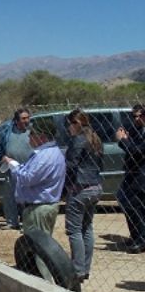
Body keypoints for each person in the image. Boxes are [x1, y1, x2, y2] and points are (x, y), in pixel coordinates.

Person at [2, 119, 65, 236]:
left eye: (31, 134)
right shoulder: (49, 153)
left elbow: (27, 178)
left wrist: (13, 165)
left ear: (42, 137)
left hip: (39, 209)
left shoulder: (45, 156)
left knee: (38, 247)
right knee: (39, 246)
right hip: (41, 207)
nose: (29, 137)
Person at [64, 109, 103, 280]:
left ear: (77, 124)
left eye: (70, 124)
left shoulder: (78, 140)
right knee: (87, 228)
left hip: (79, 189)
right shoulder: (95, 138)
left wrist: (66, 188)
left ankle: (78, 270)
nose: (68, 128)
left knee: (74, 230)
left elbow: (71, 166)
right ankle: (85, 268)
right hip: (95, 186)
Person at [0, 108, 33, 230]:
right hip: (11, 169)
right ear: (16, 121)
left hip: (28, 169)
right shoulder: (8, 132)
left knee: (26, 197)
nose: (26, 121)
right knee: (10, 196)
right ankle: (11, 221)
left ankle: (27, 223)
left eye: (27, 118)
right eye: (23, 118)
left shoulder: (32, 131)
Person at [115, 104, 145, 254]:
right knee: (126, 201)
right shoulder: (136, 130)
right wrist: (126, 139)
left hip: (141, 176)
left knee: (136, 206)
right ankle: (136, 236)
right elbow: (132, 148)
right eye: (134, 116)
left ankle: (140, 240)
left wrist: (123, 140)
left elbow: (138, 151)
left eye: (140, 116)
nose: (137, 119)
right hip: (132, 173)